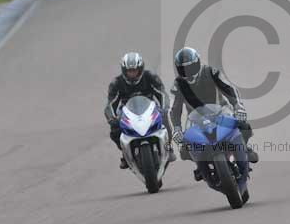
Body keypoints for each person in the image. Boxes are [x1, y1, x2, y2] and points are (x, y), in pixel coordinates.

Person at [169, 47, 259, 178]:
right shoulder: (178, 84)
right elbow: (174, 109)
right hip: (195, 118)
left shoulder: (211, 72)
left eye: (191, 67)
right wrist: (176, 128)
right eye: (183, 69)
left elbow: (229, 89)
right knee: (184, 147)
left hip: (220, 110)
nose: (188, 72)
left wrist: (238, 106)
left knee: (241, 124)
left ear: (198, 63)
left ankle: (244, 148)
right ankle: (201, 165)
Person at [104, 52, 176, 169]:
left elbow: (162, 94)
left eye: (135, 71)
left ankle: (168, 147)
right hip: (127, 111)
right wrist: (112, 118)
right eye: (129, 71)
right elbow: (110, 104)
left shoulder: (151, 77)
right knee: (114, 130)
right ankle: (125, 154)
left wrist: (164, 108)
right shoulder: (116, 83)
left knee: (165, 120)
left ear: (140, 69)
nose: (132, 74)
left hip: (149, 107)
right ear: (124, 71)